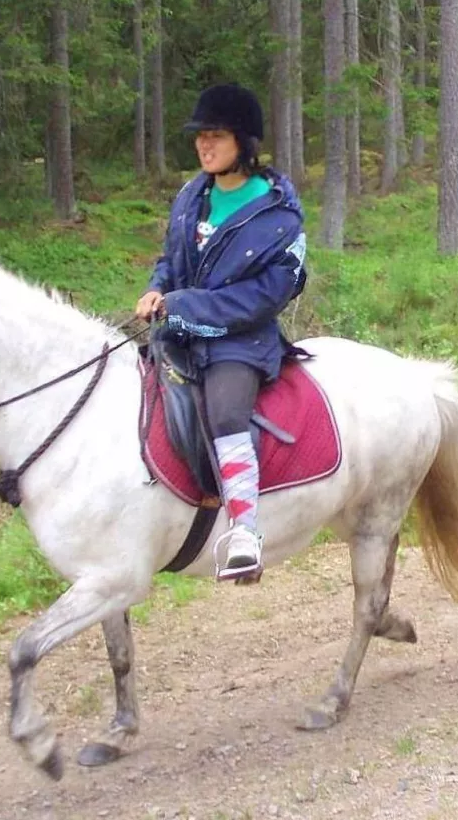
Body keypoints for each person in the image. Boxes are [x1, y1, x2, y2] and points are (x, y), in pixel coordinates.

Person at [135, 83, 308, 581]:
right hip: (179, 331)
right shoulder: (192, 196)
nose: (203, 144)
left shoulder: (278, 214)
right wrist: (157, 288)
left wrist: (186, 304)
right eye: (200, 136)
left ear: (243, 142)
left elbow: (270, 293)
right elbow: (172, 258)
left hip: (240, 341)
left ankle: (245, 532)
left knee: (227, 413)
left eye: (216, 136)